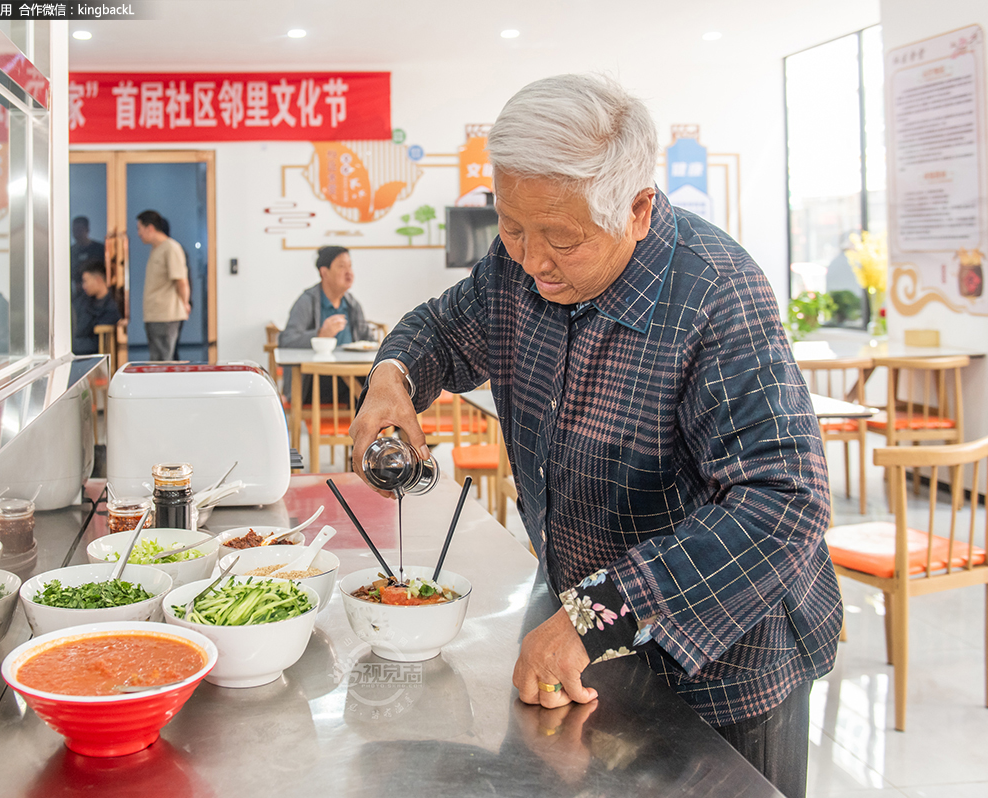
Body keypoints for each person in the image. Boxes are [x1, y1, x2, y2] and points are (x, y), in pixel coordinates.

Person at [349, 74, 840, 798]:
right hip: (588, 637)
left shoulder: (715, 292)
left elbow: (783, 501)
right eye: (512, 228)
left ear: (638, 210)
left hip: (726, 667)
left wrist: (597, 613)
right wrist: (391, 379)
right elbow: (439, 330)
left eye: (562, 240)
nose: (532, 260)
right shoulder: (518, 269)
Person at [278, 246, 373, 400]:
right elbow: (286, 341)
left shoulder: (352, 304)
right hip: (314, 381)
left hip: (351, 374)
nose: (349, 272)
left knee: (386, 387)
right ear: (324, 272)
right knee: (373, 397)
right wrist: (320, 335)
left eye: (350, 266)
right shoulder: (307, 301)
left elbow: (369, 341)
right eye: (342, 266)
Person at [136, 209, 190, 361]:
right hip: (154, 315)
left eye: (139, 228)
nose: (139, 233)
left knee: (163, 361)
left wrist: (184, 303)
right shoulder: (156, 249)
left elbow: (181, 281)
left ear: (150, 228)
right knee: (156, 360)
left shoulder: (171, 248)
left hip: (166, 316)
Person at [71, 260, 122, 356]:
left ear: (98, 280)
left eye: (86, 281)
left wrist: (71, 345)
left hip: (91, 356)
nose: (83, 286)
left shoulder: (111, 308)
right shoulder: (82, 301)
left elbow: (98, 343)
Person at [70, 216, 106, 302]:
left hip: (97, 296)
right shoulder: (70, 252)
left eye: (79, 230)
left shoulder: (99, 249)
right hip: (78, 297)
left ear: (87, 230)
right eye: (74, 230)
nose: (77, 233)